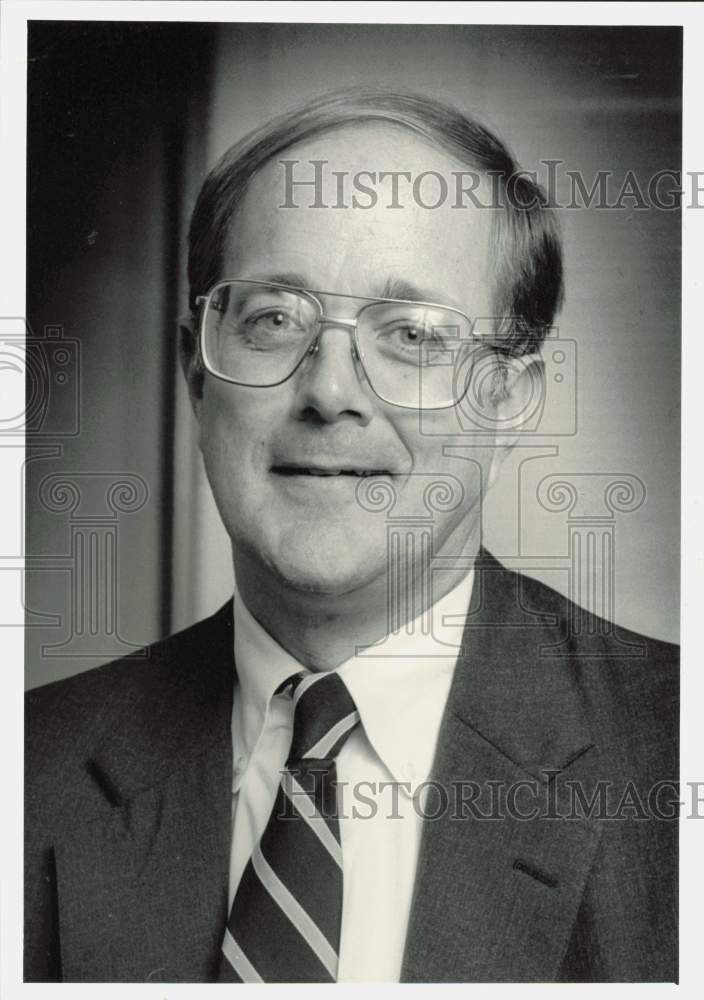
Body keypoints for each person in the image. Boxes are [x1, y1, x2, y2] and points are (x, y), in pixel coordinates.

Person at [24, 89, 678, 983]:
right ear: (196, 374)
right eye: (274, 319)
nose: (330, 391)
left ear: (511, 397)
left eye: (410, 334)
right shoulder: (25, 773)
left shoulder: (674, 751)